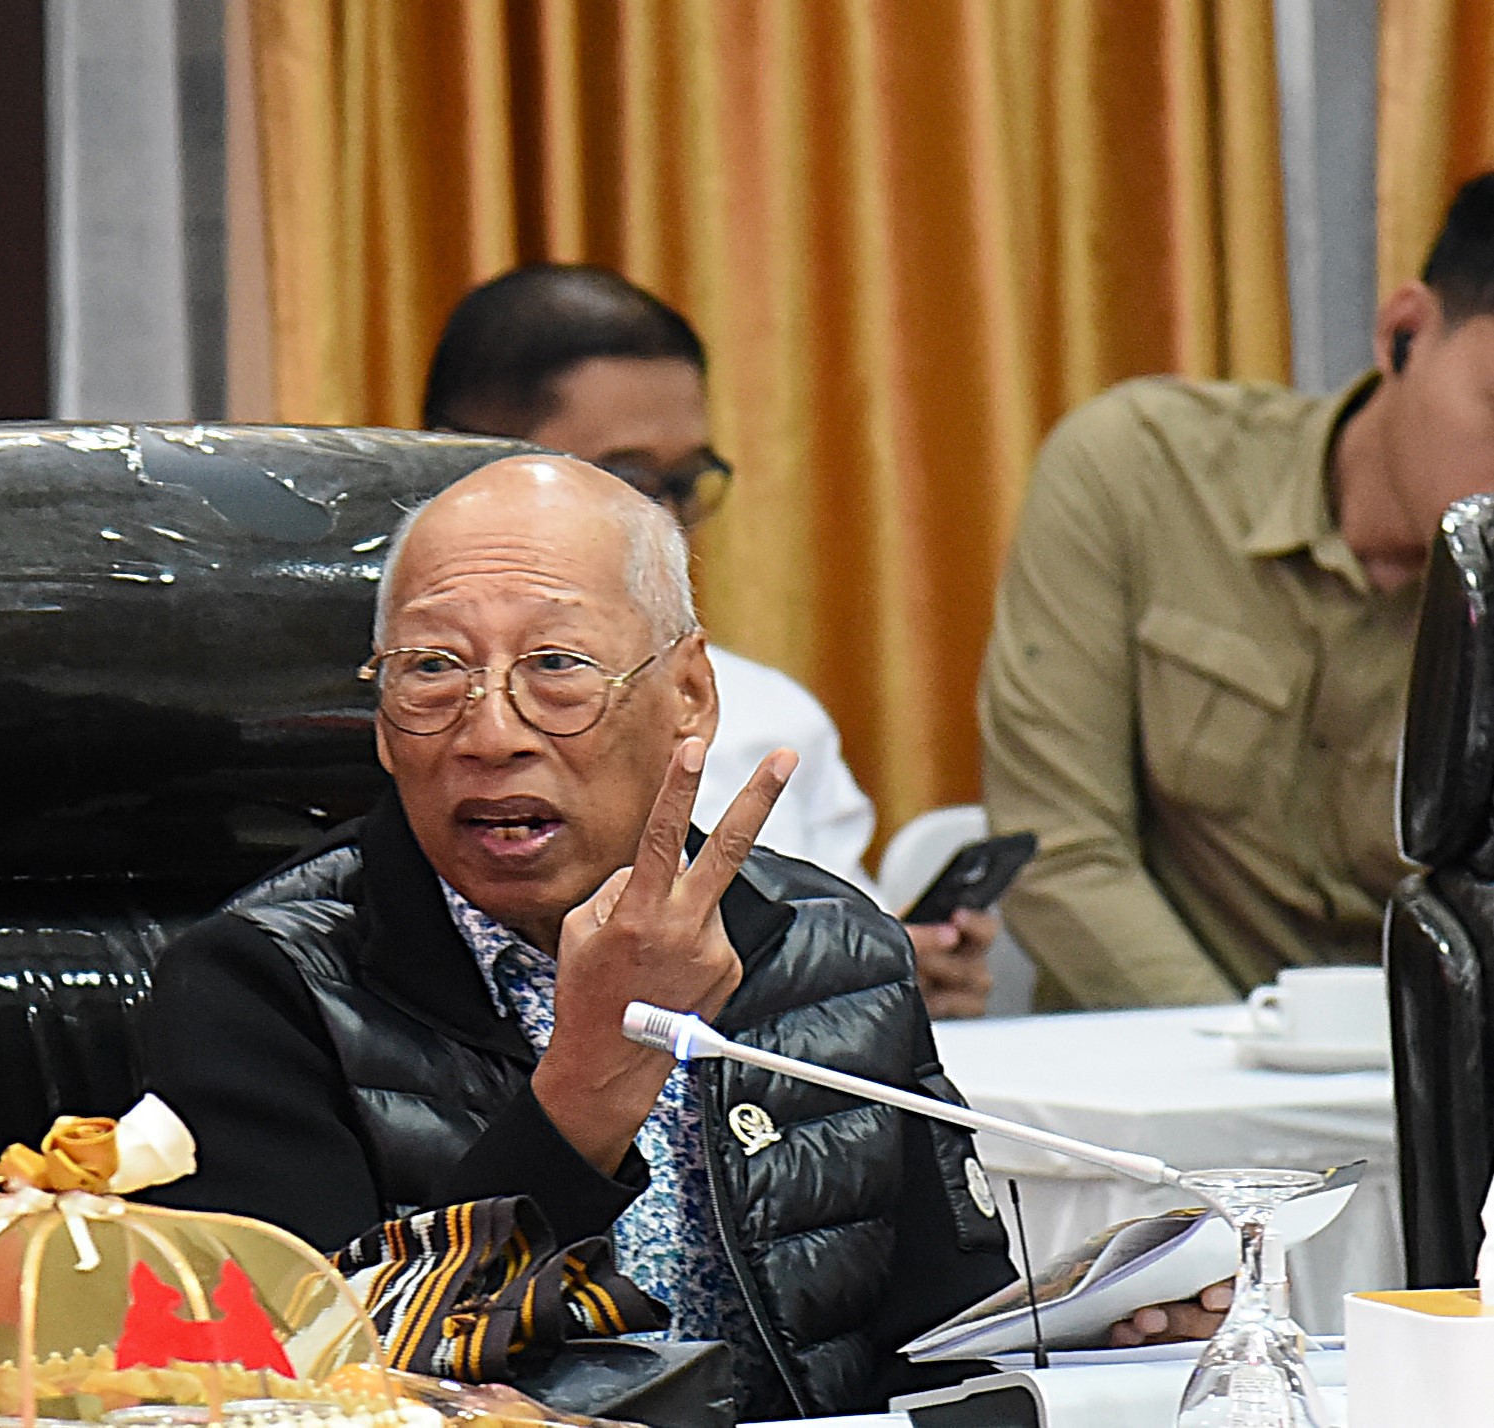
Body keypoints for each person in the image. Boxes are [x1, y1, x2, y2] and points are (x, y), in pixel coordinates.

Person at [142, 456, 1221, 1417]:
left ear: (689, 695)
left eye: (555, 664)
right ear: (382, 723)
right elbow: (289, 1382)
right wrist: (589, 1081)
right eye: (431, 670)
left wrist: (1082, 1346)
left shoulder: (831, 952)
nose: (490, 733)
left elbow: (930, 1351)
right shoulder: (257, 984)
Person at [422, 263, 995, 1018]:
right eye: (625, 479)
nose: (665, 524)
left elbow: (835, 957)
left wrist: (890, 987)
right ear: (461, 468)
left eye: (688, 481)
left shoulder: (771, 720)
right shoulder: (411, 722)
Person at [979, 172, 1494, 1009]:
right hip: (1151, 1060)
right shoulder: (1141, 472)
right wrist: (1240, 1050)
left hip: (1422, 1073)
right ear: (1404, 332)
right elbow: (1060, 849)